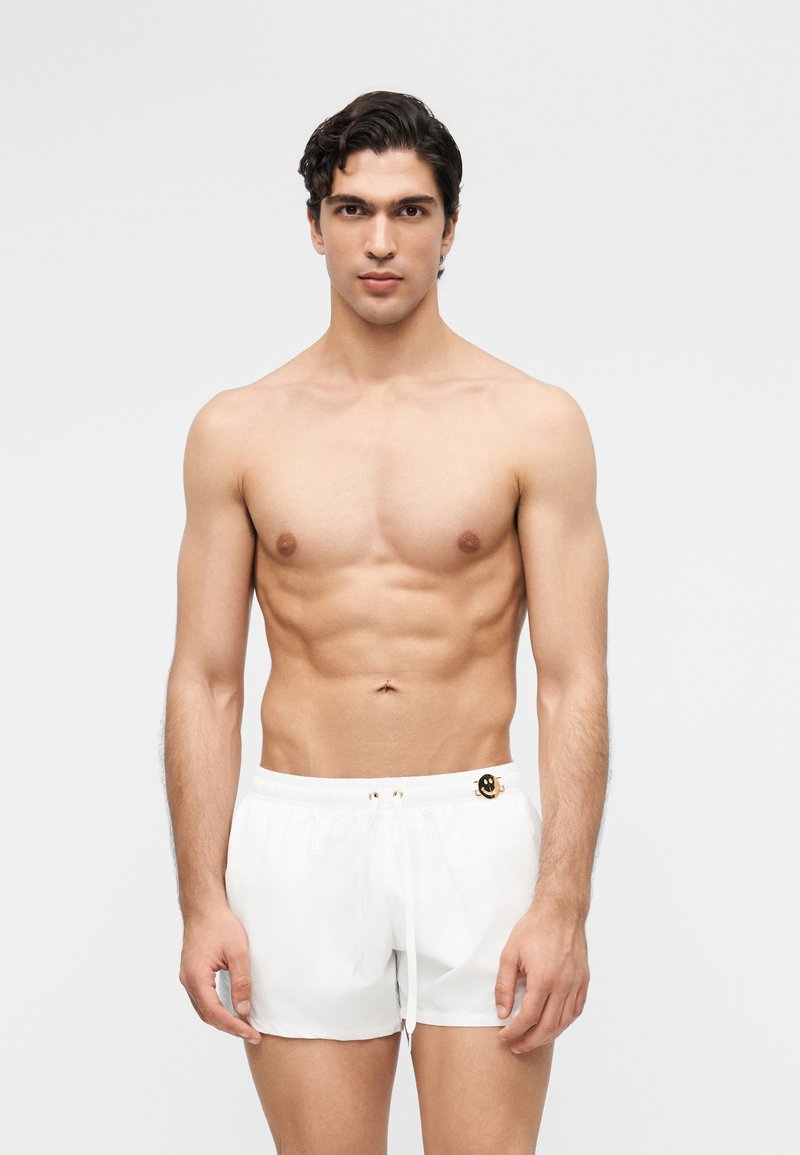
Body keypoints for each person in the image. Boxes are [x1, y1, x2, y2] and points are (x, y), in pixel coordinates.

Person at [164, 89, 609, 1155]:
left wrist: (562, 903)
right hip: (299, 833)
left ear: (449, 228)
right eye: (352, 209)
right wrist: (201, 898)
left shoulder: (533, 423)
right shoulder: (237, 430)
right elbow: (206, 681)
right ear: (314, 225)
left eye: (410, 211)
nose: (379, 241)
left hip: (476, 830)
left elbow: (572, 681)